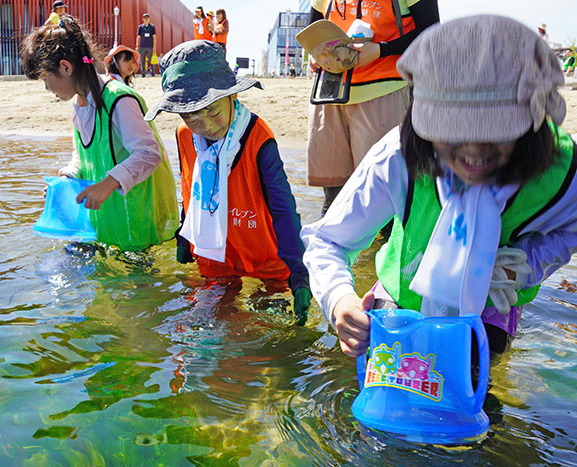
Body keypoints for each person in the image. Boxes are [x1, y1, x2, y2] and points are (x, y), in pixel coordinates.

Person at [301, 15, 577, 357]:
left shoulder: (563, 173)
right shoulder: (398, 156)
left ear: (534, 121)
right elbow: (327, 241)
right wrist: (340, 300)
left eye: (496, 131)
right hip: (403, 288)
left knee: (475, 365)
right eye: (453, 131)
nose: (473, 152)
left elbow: (569, 230)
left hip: (494, 299)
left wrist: (524, 263)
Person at [144, 40, 312, 325]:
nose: (206, 126)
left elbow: (283, 207)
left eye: (212, 111)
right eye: (191, 116)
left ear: (232, 97)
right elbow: (189, 186)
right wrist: (185, 236)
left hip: (263, 252)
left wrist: (298, 270)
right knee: (211, 320)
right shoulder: (185, 135)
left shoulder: (259, 138)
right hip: (213, 253)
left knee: (268, 327)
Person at [20, 16, 179, 252]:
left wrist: (107, 184)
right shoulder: (79, 103)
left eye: (46, 79)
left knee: (139, 281)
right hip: (109, 218)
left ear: (65, 67)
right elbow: (83, 154)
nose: (47, 88)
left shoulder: (119, 99)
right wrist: (70, 176)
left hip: (137, 218)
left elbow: (149, 153)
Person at [299, 0, 439, 215]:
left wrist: (381, 50)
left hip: (384, 89)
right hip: (329, 93)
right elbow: (314, 28)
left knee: (383, 195)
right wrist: (312, 56)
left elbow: (432, 31)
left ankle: (382, 248)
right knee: (333, 198)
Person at [135, 13, 157, 77]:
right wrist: (137, 45)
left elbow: (154, 37)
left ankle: (152, 73)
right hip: (142, 46)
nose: (146, 19)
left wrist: (154, 47)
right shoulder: (140, 27)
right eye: (145, 18)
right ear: (143, 19)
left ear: (149, 19)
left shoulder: (152, 27)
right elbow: (138, 37)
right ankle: (143, 74)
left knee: (151, 60)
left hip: (150, 46)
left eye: (147, 18)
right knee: (142, 61)